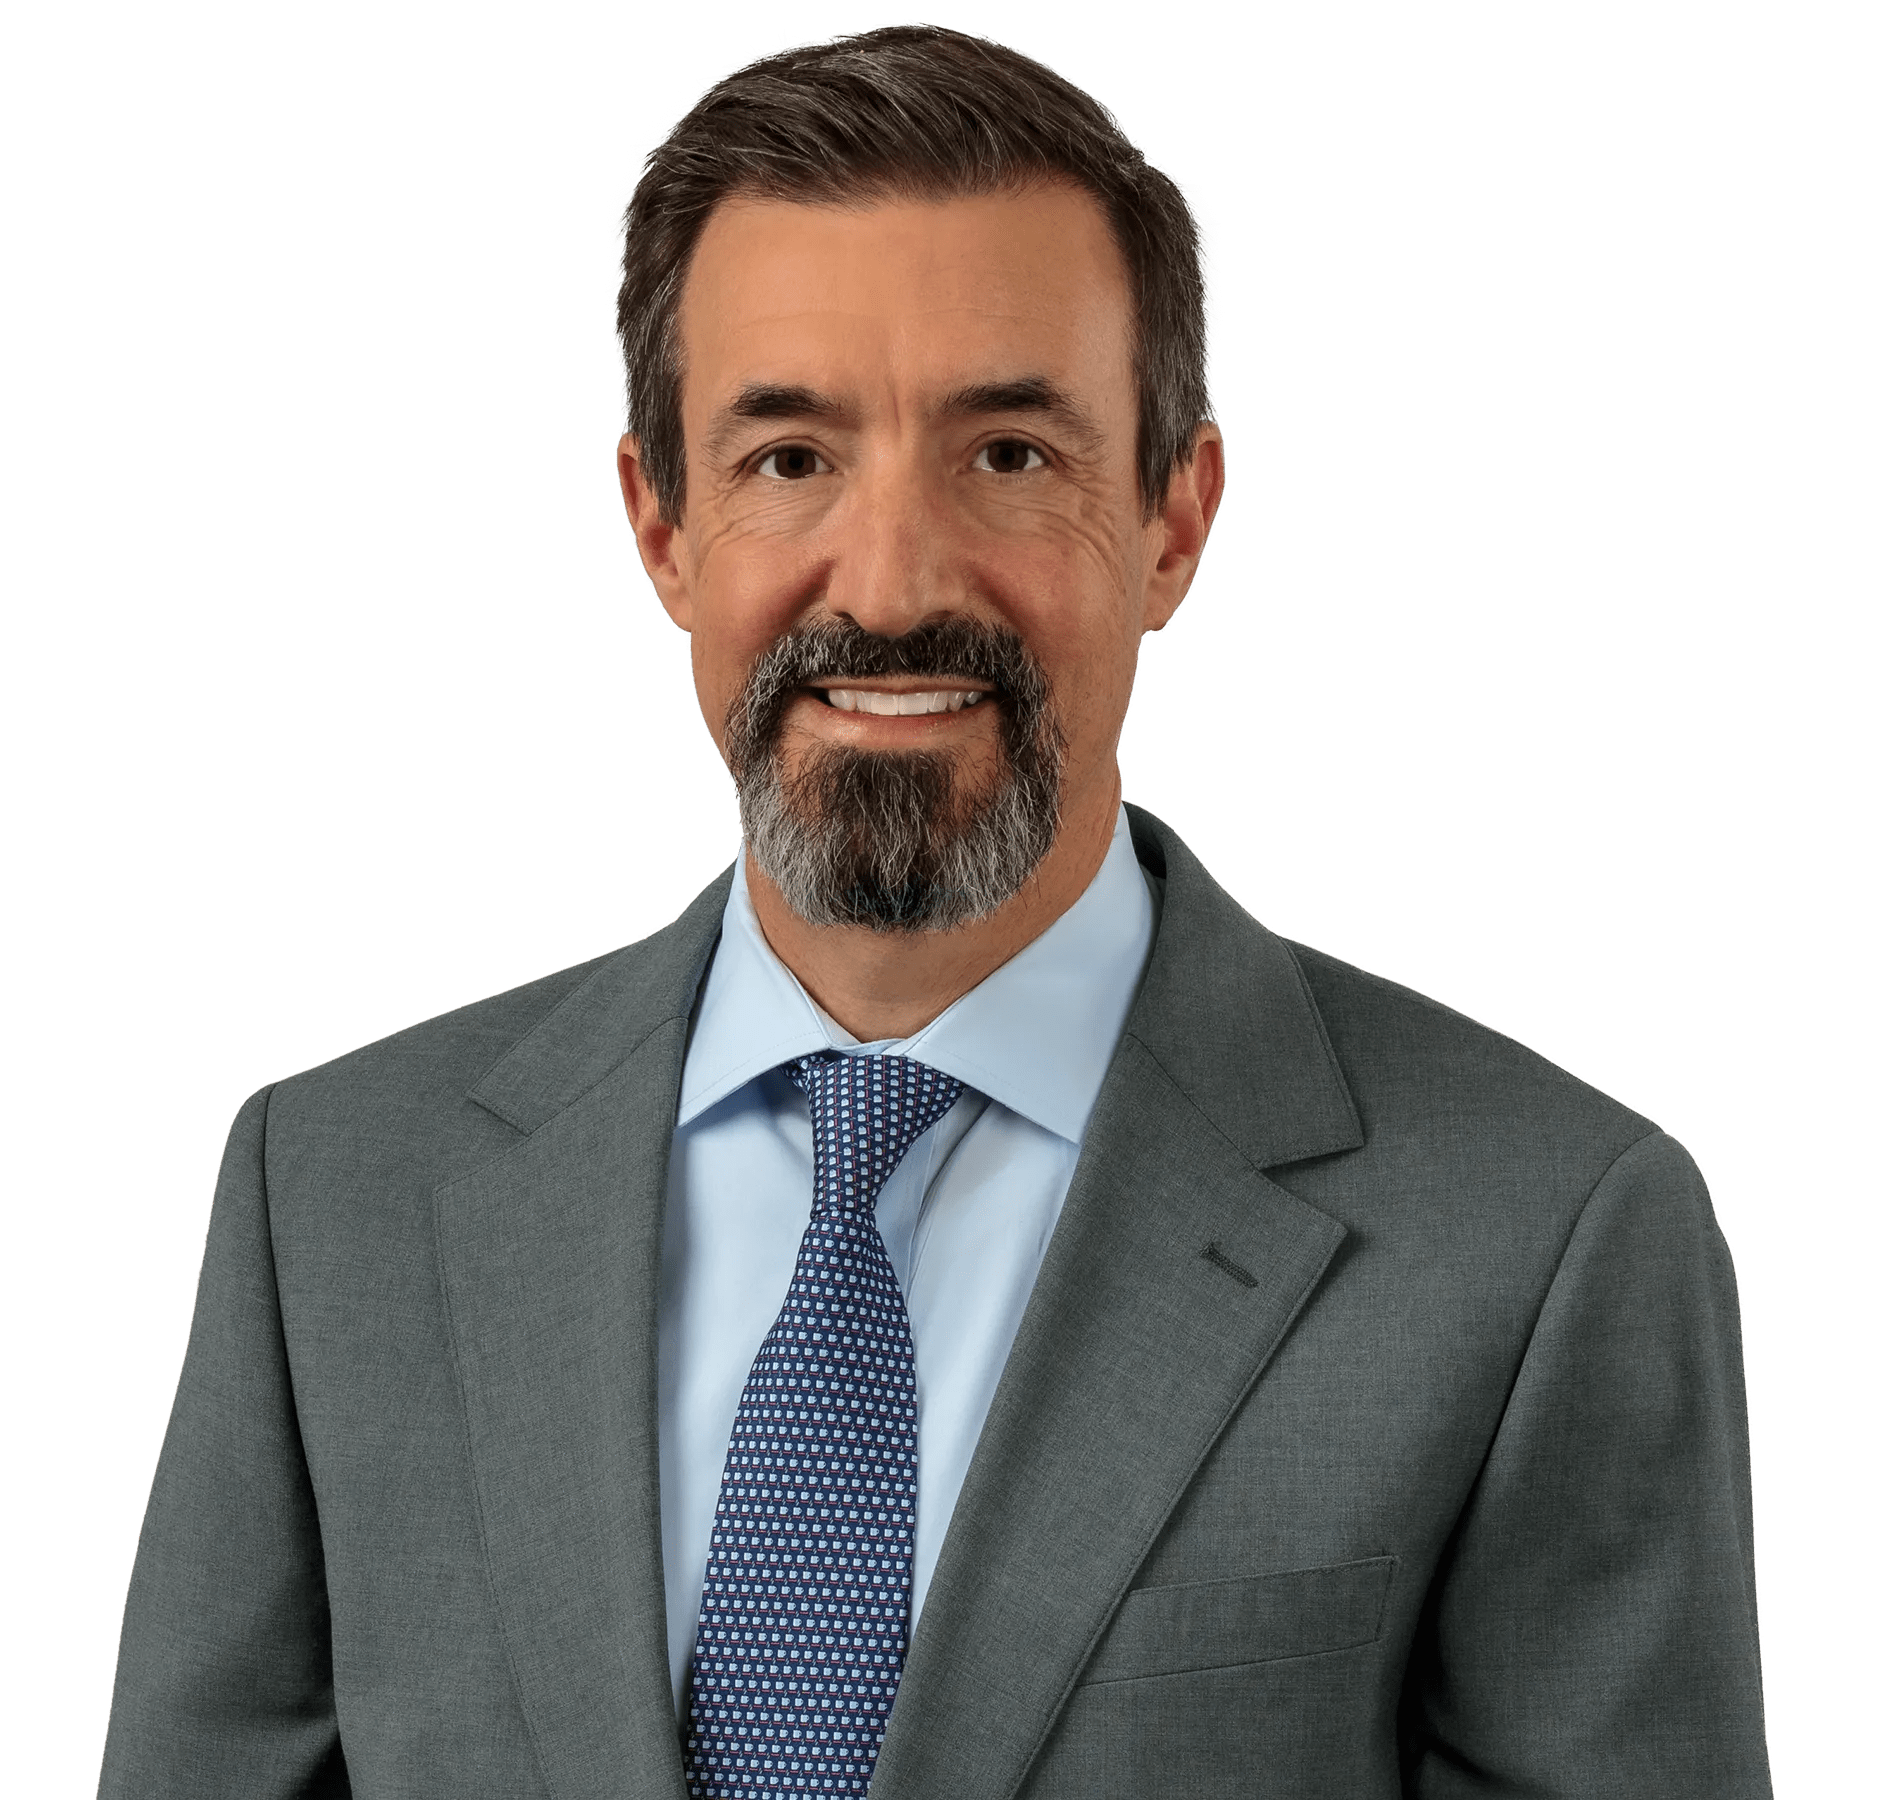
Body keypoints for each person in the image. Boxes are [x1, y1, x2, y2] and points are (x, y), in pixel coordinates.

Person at [97, 23, 1771, 1799]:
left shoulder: (1546, 1238)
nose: (892, 583)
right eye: (788, 458)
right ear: (661, 525)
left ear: (1176, 520)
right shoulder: (330, 1203)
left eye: (1012, 455)